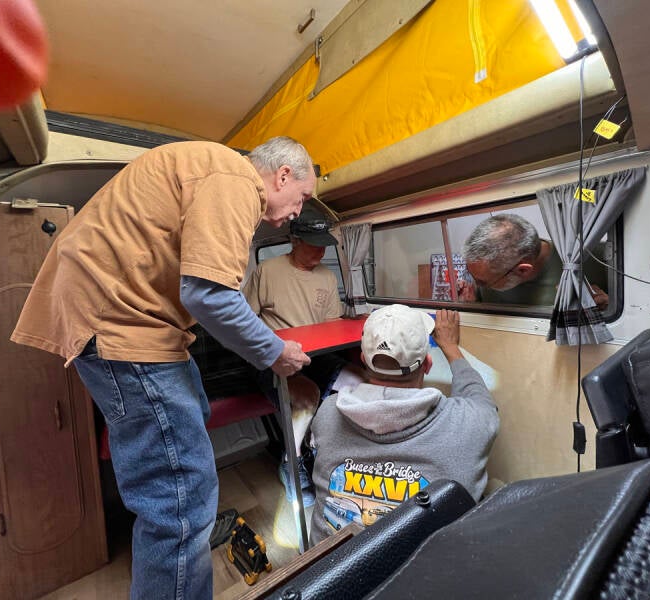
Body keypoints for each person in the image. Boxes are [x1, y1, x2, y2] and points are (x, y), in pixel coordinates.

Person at [10, 136, 315, 600]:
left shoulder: (213, 172)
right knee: (180, 500)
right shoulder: (235, 178)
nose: (298, 211)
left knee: (191, 427)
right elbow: (210, 295)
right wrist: (275, 352)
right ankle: (182, 551)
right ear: (283, 176)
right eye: (302, 198)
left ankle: (184, 553)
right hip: (124, 325)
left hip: (134, 325)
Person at [307, 305, 499, 545]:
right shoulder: (469, 422)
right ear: (427, 364)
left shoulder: (328, 412)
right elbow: (478, 396)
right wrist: (450, 347)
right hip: (421, 567)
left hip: (329, 565)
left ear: (363, 360)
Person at [242, 216, 365, 507]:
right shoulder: (267, 271)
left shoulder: (326, 276)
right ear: (294, 241)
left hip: (316, 356)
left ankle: (337, 451)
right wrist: (271, 350)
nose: (321, 252)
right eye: (314, 245)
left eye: (324, 246)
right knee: (308, 396)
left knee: (361, 381)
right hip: (274, 357)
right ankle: (292, 460)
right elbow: (245, 321)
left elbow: (332, 324)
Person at [458, 214, 609, 308]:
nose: (477, 284)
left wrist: (606, 305)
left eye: (483, 283)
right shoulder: (489, 271)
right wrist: (473, 304)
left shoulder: (595, 258)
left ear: (523, 270)